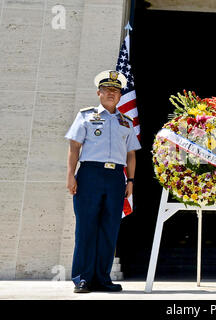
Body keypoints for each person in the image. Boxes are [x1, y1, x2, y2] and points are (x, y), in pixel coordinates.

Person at [65, 70, 141, 293]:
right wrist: (71, 174)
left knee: (109, 228)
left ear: (119, 96)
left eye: (116, 91)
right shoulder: (85, 116)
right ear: (99, 93)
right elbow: (74, 147)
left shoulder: (126, 122)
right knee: (86, 227)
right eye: (107, 90)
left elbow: (131, 154)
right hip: (90, 174)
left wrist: (131, 181)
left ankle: (102, 277)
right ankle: (82, 278)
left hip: (116, 177)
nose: (111, 93)